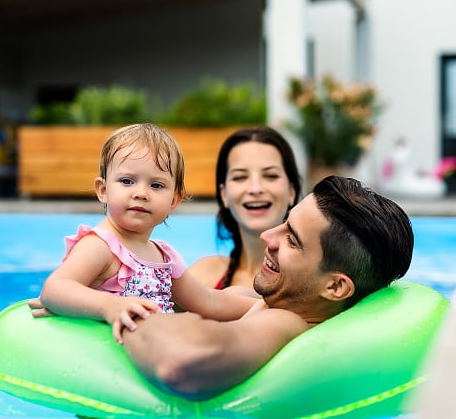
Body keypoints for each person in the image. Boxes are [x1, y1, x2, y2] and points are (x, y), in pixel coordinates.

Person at [114, 175, 414, 400]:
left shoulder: (282, 323)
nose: (268, 236)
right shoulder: (271, 304)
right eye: (284, 222)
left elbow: (181, 363)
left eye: (292, 239)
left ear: (335, 286)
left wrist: (120, 310)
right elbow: (216, 300)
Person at [28, 123, 253, 328]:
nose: (141, 193)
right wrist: (110, 306)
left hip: (157, 348)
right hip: (116, 353)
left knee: (242, 293)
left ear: (174, 199)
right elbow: (54, 288)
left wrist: (265, 308)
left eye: (156, 185)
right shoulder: (100, 246)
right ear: (103, 190)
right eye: (127, 181)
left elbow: (208, 302)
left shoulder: (164, 256)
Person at [187, 126, 302, 294]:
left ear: (292, 191)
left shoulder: (309, 282)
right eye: (240, 177)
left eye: (271, 176)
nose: (255, 189)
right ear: (224, 194)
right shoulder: (202, 276)